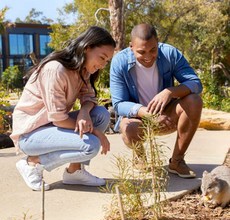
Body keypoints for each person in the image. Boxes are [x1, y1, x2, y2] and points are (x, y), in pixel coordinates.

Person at [10, 26, 116, 191]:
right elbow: (59, 119)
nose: (102, 65)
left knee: (101, 114)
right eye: (102, 58)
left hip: (52, 126)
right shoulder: (55, 70)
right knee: (91, 145)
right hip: (30, 134)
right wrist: (95, 131)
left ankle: (74, 172)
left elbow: (89, 97)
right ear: (87, 47)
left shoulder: (83, 69)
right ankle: (32, 163)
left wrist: (84, 112)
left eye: (106, 61)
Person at [110, 23, 203, 178]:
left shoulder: (170, 53)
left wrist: (170, 92)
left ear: (158, 43)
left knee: (194, 101)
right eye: (141, 52)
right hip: (138, 118)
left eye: (153, 50)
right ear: (131, 46)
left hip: (167, 115)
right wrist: (147, 113)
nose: (148, 56)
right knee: (129, 128)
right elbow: (119, 104)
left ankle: (177, 161)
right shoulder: (119, 62)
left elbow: (195, 83)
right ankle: (139, 155)